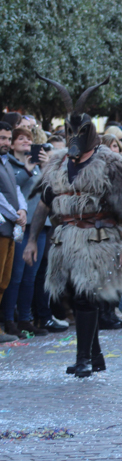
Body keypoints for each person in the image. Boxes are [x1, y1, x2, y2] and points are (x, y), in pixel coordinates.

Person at [27, 76, 122, 376]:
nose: (73, 137)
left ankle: (84, 360)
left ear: (89, 132)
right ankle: (96, 355)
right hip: (64, 239)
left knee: (85, 296)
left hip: (97, 239)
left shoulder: (110, 163)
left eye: (79, 131)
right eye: (70, 131)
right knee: (72, 295)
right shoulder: (57, 163)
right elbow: (43, 204)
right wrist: (31, 240)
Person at [3, 127, 50, 339]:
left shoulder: (38, 165)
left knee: (31, 276)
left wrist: (46, 166)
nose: (26, 142)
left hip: (40, 225)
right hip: (20, 225)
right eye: (20, 138)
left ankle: (25, 319)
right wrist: (28, 170)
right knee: (16, 276)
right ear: (12, 143)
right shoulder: (9, 164)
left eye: (29, 139)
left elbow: (51, 189)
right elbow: (12, 190)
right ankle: (8, 320)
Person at [0, 123, 29, 343]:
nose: (6, 143)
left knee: (4, 280)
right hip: (3, 227)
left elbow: (17, 190)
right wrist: (15, 214)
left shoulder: (6, 162)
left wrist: (23, 210)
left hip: (10, 229)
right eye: (2, 138)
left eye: (8, 139)